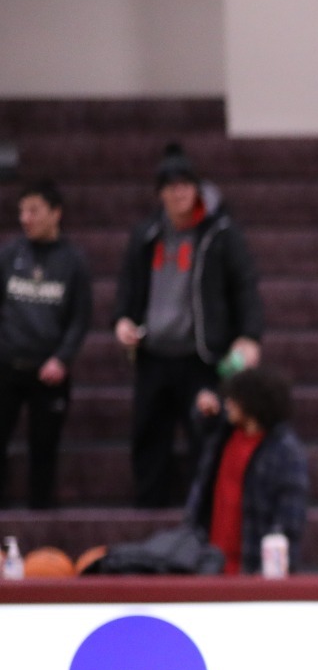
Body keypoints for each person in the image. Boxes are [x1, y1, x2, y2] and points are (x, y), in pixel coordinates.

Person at [112, 143, 264, 508]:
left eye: (184, 185)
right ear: (160, 193)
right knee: (148, 436)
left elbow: (245, 286)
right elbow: (129, 285)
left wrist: (249, 336)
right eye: (170, 186)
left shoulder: (220, 233)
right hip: (153, 353)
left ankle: (203, 517)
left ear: (196, 188)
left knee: (205, 436)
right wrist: (123, 321)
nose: (178, 192)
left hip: (201, 354)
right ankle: (149, 512)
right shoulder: (146, 234)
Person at [0, 179, 89, 509]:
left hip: (49, 369)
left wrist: (62, 359)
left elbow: (81, 318)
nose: (26, 218)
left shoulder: (73, 262)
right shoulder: (9, 255)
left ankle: (40, 517)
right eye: (22, 211)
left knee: (44, 448)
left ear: (55, 213)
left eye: (34, 210)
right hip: (7, 366)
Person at [183, 367, 308, 574]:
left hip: (250, 565)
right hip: (208, 561)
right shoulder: (224, 435)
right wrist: (204, 408)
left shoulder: (285, 451)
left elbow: (290, 519)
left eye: (235, 398)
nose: (228, 403)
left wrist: (275, 570)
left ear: (253, 402)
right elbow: (203, 420)